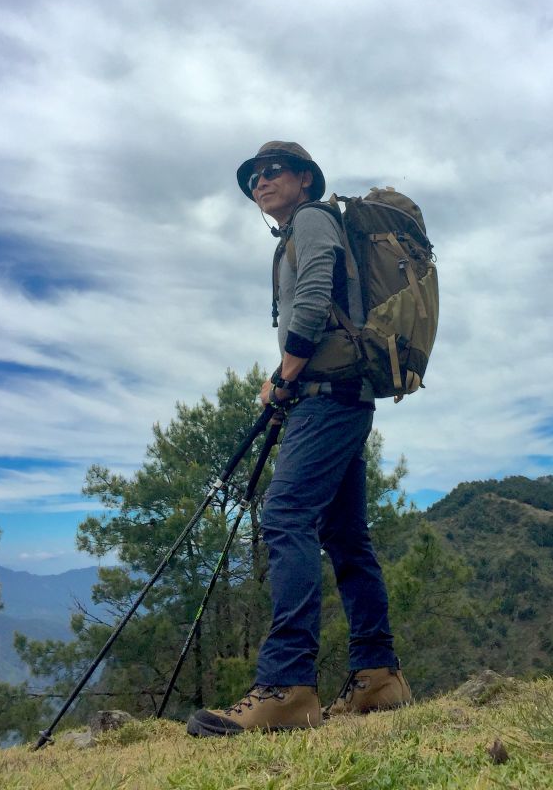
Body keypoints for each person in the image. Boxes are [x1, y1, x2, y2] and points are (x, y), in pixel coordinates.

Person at [187, 141, 411, 736]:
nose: (261, 181)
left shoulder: (312, 222)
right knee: (344, 535)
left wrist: (286, 376)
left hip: (325, 399)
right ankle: (378, 678)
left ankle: (286, 687)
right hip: (337, 397)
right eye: (254, 176)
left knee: (285, 517)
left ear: (305, 180)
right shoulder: (301, 230)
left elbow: (314, 295)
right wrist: (287, 383)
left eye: (273, 171)